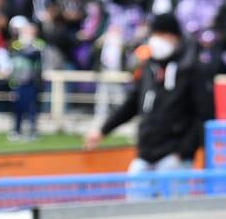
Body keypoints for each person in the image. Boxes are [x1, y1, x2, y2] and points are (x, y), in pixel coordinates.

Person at [84, 13, 215, 171]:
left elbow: (204, 116)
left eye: (161, 34)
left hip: (175, 156)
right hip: (146, 153)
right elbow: (132, 104)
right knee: (135, 181)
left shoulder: (193, 69)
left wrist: (183, 152)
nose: (156, 40)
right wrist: (103, 130)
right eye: (154, 34)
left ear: (174, 36)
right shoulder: (150, 67)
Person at [7, 23, 45, 141]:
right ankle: (17, 130)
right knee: (18, 108)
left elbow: (34, 54)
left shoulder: (38, 44)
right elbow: (14, 55)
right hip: (18, 82)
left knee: (31, 108)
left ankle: (32, 132)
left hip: (32, 82)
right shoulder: (16, 44)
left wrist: (26, 47)